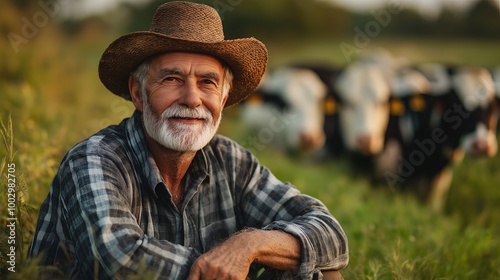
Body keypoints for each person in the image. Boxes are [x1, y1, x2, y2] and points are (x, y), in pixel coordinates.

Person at [28, 1, 349, 279]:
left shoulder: (231, 160)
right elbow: (120, 260)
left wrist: (249, 245)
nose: (192, 99)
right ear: (139, 93)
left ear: (223, 99)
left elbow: (330, 234)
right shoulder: (94, 159)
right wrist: (223, 267)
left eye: (208, 82)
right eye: (172, 78)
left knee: (322, 273)